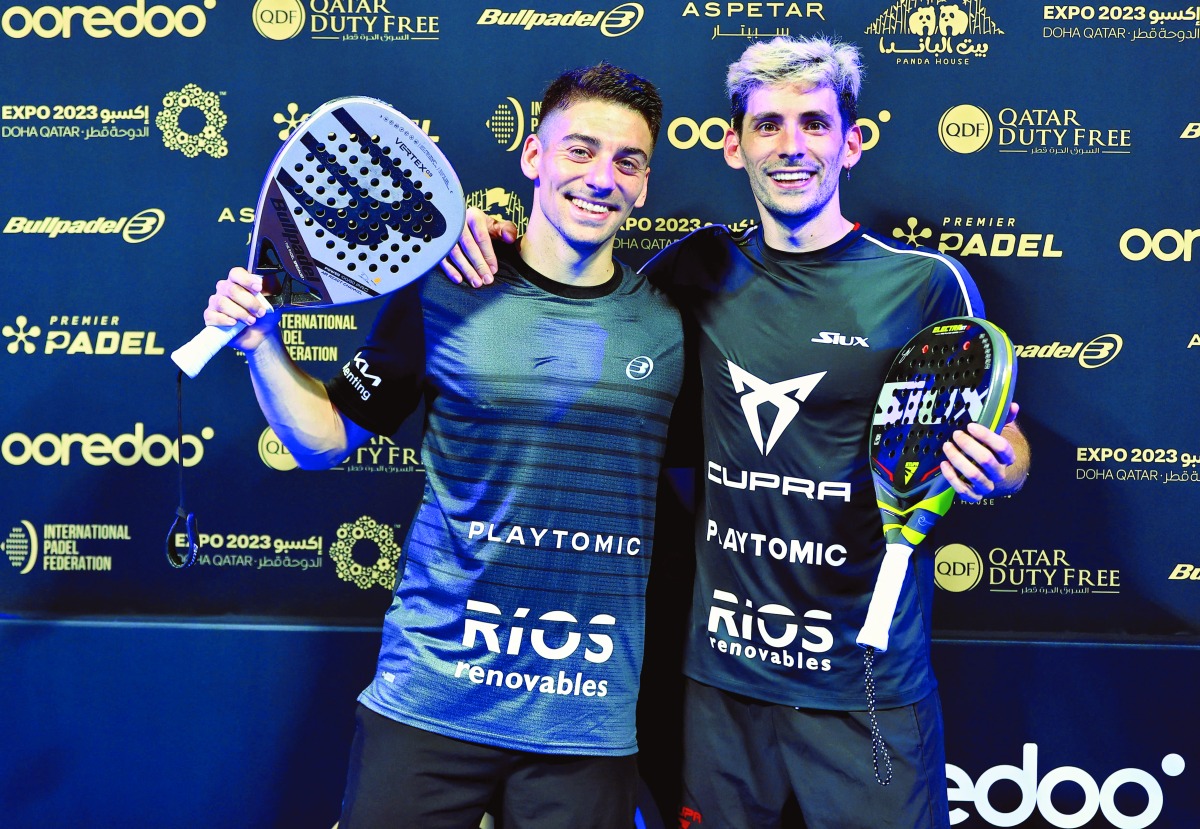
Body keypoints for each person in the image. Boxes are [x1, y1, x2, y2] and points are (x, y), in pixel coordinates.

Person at [451, 36, 1030, 829]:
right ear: (734, 145)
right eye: (768, 125)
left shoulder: (925, 284)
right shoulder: (695, 269)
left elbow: (1003, 439)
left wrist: (998, 466)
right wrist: (491, 242)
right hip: (717, 684)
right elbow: (581, 292)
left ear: (852, 143)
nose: (791, 146)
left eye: (815, 124)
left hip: (864, 683)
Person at [201, 63, 682, 829]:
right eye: (580, 150)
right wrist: (261, 344)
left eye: (628, 162)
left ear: (646, 184)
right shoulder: (443, 287)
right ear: (534, 156)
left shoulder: (671, 322)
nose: (601, 178)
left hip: (584, 718)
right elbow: (323, 439)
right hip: (431, 696)